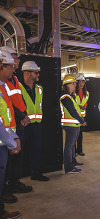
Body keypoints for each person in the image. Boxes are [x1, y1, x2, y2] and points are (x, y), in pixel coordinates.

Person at [1, 47, 31, 203]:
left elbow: (19, 99)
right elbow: (7, 105)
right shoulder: (4, 81)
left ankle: (13, 182)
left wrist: (24, 115)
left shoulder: (14, 79)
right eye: (13, 58)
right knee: (5, 160)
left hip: (15, 123)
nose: (16, 61)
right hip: (10, 125)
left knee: (16, 156)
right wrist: (22, 116)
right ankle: (4, 189)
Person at [0, 50, 22, 218]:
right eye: (10, 66)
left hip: (5, 142)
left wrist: (15, 137)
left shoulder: (3, 87)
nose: (13, 69)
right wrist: (11, 142)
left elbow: (8, 116)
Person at [19, 61, 49, 181]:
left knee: (36, 150)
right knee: (19, 152)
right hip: (23, 125)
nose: (38, 75)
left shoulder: (39, 88)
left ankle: (35, 173)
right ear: (27, 73)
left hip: (37, 125)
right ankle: (16, 178)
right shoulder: (18, 87)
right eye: (36, 72)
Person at [60, 75, 86, 174]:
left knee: (72, 146)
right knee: (69, 146)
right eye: (73, 83)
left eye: (75, 83)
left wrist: (80, 120)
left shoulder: (71, 96)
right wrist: (81, 120)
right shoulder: (65, 97)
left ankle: (73, 162)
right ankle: (69, 167)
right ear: (66, 85)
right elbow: (72, 111)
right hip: (69, 124)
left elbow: (76, 110)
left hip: (74, 124)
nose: (75, 85)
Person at [75, 74, 89, 156]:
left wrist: (84, 106)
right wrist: (79, 106)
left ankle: (79, 150)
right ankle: (73, 152)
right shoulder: (74, 92)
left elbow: (86, 102)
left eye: (82, 82)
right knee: (74, 135)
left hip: (82, 116)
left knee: (80, 135)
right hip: (74, 116)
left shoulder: (86, 93)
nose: (81, 84)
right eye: (79, 82)